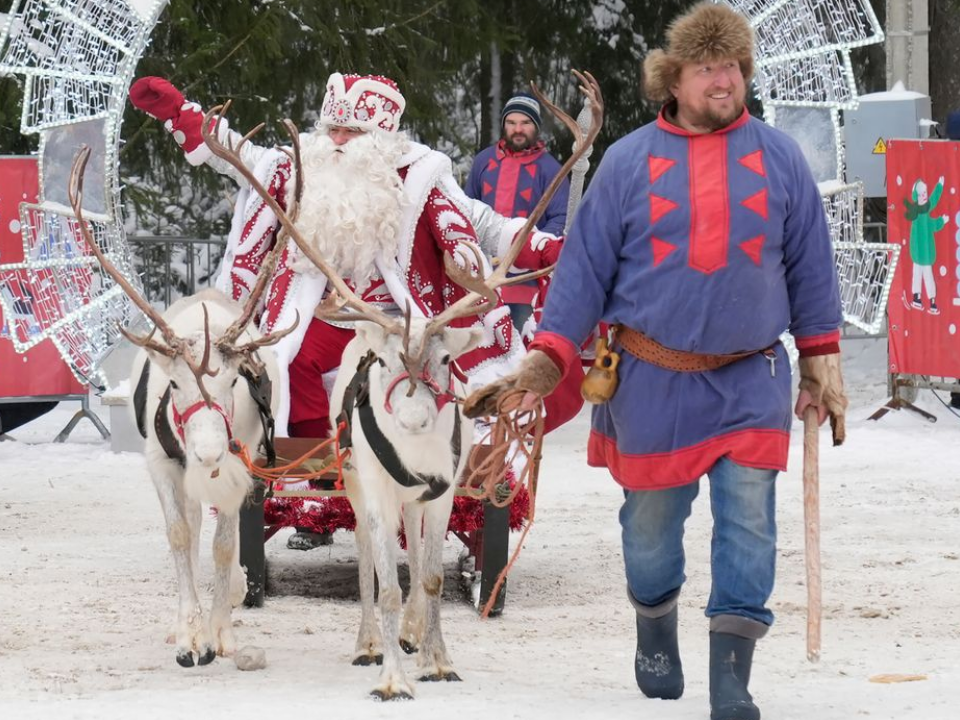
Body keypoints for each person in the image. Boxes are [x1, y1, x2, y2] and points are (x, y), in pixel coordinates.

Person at [464, 4, 848, 719]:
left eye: (731, 67)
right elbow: (582, 270)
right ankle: (654, 625)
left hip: (752, 376)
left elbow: (810, 266)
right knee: (649, 528)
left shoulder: (780, 157)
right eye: (707, 69)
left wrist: (821, 358)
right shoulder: (631, 162)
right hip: (649, 381)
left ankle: (732, 679)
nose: (723, 81)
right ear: (674, 79)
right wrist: (547, 357)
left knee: (750, 521)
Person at [129, 71, 575, 547]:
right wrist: (181, 113)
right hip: (321, 315)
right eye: (333, 129)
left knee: (415, 370)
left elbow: (483, 223)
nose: (338, 141)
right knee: (290, 363)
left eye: (351, 132)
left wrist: (552, 251)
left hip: (394, 319)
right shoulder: (301, 166)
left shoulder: (420, 174)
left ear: (381, 137)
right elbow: (240, 157)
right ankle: (315, 480)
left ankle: (412, 472)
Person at [465, 92, 569, 333]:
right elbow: (466, 209)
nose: (517, 129)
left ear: (536, 127)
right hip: (481, 282)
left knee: (521, 351)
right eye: (511, 123)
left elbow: (561, 218)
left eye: (525, 123)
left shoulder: (551, 169)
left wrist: (533, 247)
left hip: (525, 285)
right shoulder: (484, 162)